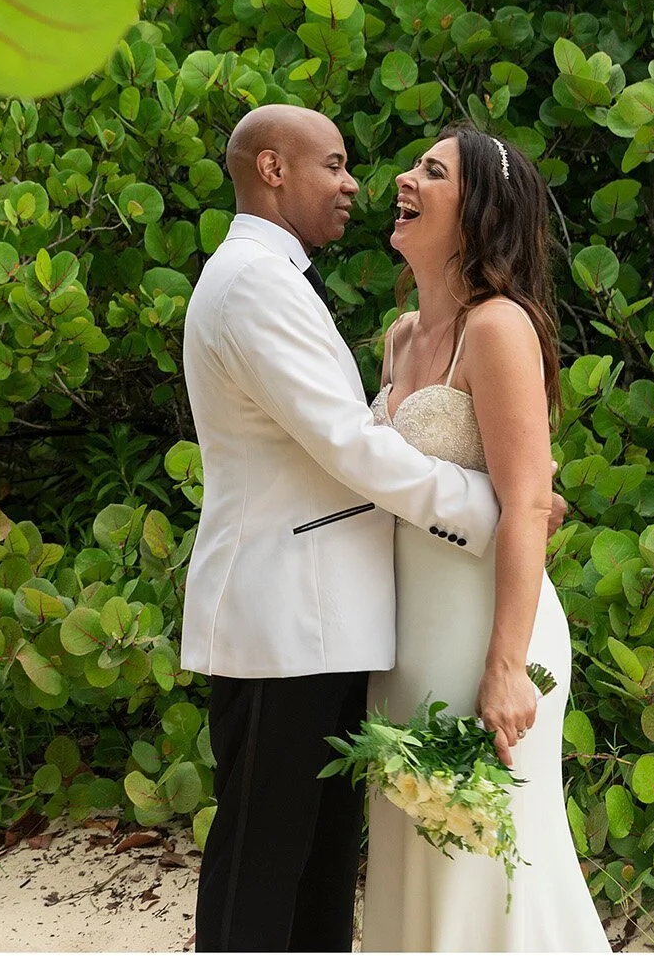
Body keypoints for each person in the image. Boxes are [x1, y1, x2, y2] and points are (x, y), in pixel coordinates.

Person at [181, 104, 558, 952]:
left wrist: (516, 507)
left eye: (431, 171)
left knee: (323, 864)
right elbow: (352, 445)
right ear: (273, 169)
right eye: (335, 164)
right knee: (269, 860)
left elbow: (375, 452)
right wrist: (484, 504)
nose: (365, 181)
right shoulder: (257, 283)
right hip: (293, 615)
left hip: (384, 622)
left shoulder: (480, 325)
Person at [360, 126, 609, 951]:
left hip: (489, 634)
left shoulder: (498, 327)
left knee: (495, 868)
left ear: (475, 215)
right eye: (415, 164)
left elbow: (529, 500)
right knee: (416, 862)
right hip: (407, 642)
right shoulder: (400, 336)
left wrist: (505, 665)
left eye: (433, 171)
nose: (405, 177)